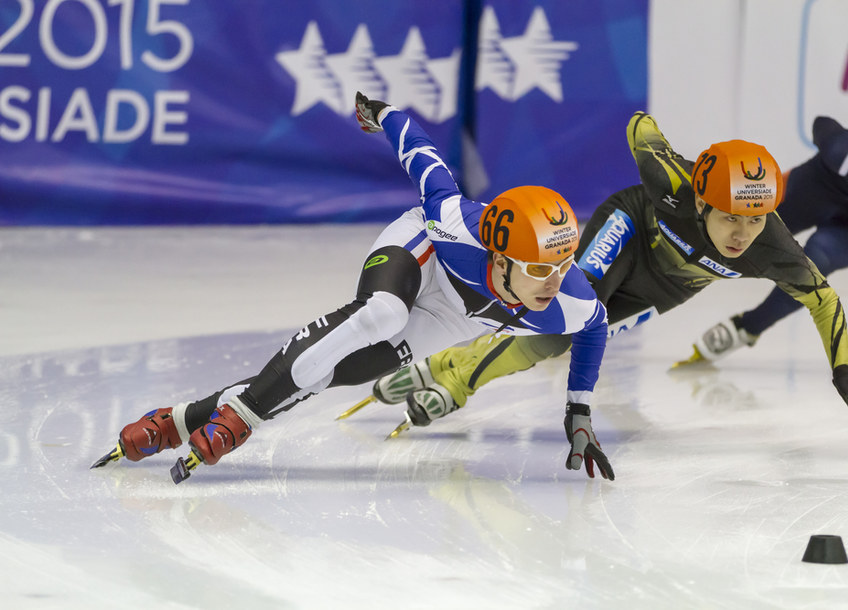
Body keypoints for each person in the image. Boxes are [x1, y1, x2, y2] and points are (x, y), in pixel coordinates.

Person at [91, 92, 614, 482]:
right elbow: (425, 159)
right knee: (383, 312)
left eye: (564, 263)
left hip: (450, 316)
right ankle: (241, 419)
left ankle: (177, 420)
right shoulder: (457, 222)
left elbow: (596, 328)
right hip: (420, 255)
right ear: (500, 256)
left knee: (323, 377)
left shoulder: (568, 302)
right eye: (541, 268)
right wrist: (386, 115)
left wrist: (579, 411)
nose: (556, 279)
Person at [343, 112, 848, 441]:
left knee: (557, 344)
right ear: (700, 198)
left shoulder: (773, 249)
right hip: (629, 228)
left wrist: (841, 368)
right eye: (730, 216)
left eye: (755, 219)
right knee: (557, 326)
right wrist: (664, 146)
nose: (741, 234)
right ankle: (457, 383)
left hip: (669, 285)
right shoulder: (674, 182)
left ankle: (443, 365)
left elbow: (824, 300)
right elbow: (640, 126)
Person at [679, 111, 848, 366]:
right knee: (732, 230)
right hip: (821, 186)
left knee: (816, 260)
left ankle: (746, 328)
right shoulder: (847, 149)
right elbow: (823, 123)